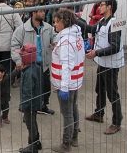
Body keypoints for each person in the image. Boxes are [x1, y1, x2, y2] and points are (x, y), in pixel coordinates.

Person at [78, 0, 124, 135]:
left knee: (112, 93)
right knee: (100, 88)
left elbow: (115, 47)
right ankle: (99, 113)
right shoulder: (102, 22)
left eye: (102, 5)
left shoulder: (114, 23)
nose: (99, 7)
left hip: (111, 64)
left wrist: (96, 53)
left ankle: (117, 122)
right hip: (102, 63)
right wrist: (76, 20)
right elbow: (92, 29)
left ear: (109, 7)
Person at [51, 9, 85, 152]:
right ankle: (74, 136)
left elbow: (66, 66)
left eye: (56, 22)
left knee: (67, 113)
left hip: (66, 82)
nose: (54, 25)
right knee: (73, 108)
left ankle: (66, 143)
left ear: (63, 22)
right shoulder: (76, 35)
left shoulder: (66, 41)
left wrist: (64, 87)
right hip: (75, 80)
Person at [11, 9, 56, 116]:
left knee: (46, 88)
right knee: (30, 89)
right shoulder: (22, 29)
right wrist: (18, 60)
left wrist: (55, 42)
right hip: (29, 65)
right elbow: (14, 45)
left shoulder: (48, 27)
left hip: (44, 63)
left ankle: (43, 106)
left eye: (44, 11)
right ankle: (28, 111)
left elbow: (55, 35)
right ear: (33, 13)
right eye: (40, 12)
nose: (43, 13)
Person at [17, 44, 43, 153]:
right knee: (33, 120)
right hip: (36, 101)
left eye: (22, 55)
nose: (21, 57)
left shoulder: (29, 72)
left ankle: (32, 145)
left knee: (30, 122)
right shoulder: (36, 67)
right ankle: (36, 142)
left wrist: (22, 106)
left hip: (30, 103)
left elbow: (28, 92)